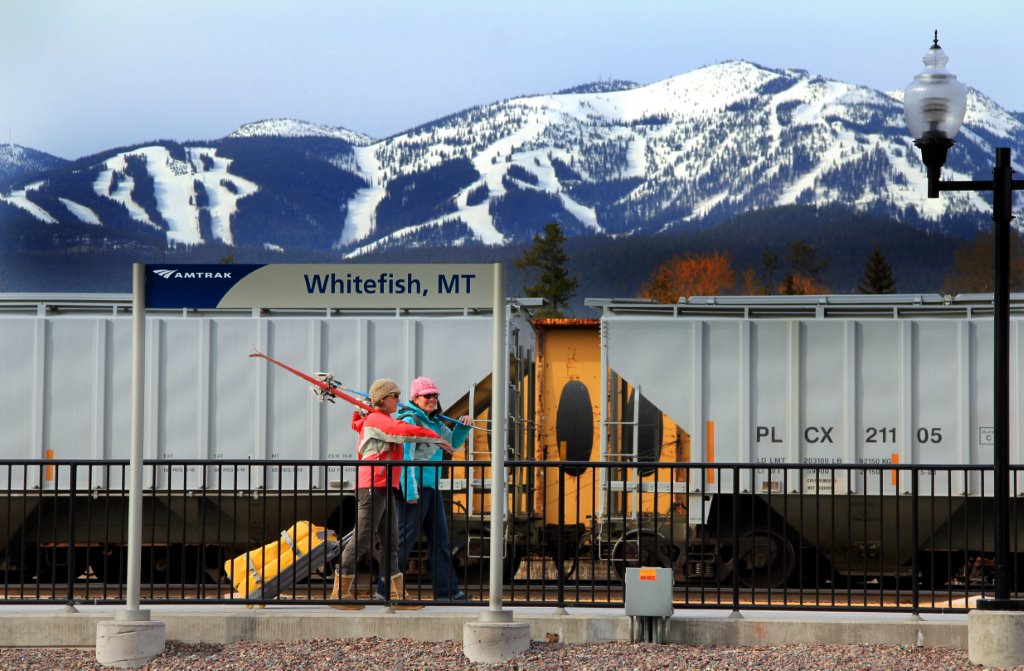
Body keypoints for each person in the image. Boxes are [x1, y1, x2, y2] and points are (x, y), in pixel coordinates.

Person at [331, 378, 449, 611]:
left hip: (385, 487)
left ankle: (396, 595)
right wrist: (434, 436)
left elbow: (368, 425)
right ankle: (340, 593)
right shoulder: (377, 419)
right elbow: (400, 431)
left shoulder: (378, 418)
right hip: (372, 487)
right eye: (394, 396)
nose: (398, 400)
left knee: (391, 541)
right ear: (383, 399)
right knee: (362, 538)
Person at [395, 376, 474, 601]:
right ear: (415, 398)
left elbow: (453, 444)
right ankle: (386, 590)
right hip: (415, 489)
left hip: (431, 488)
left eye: (435, 395)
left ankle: (447, 592)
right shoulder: (410, 420)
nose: (432, 399)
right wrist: (410, 492)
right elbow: (406, 459)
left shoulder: (435, 422)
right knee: (404, 540)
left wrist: (462, 426)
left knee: (440, 540)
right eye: (427, 395)